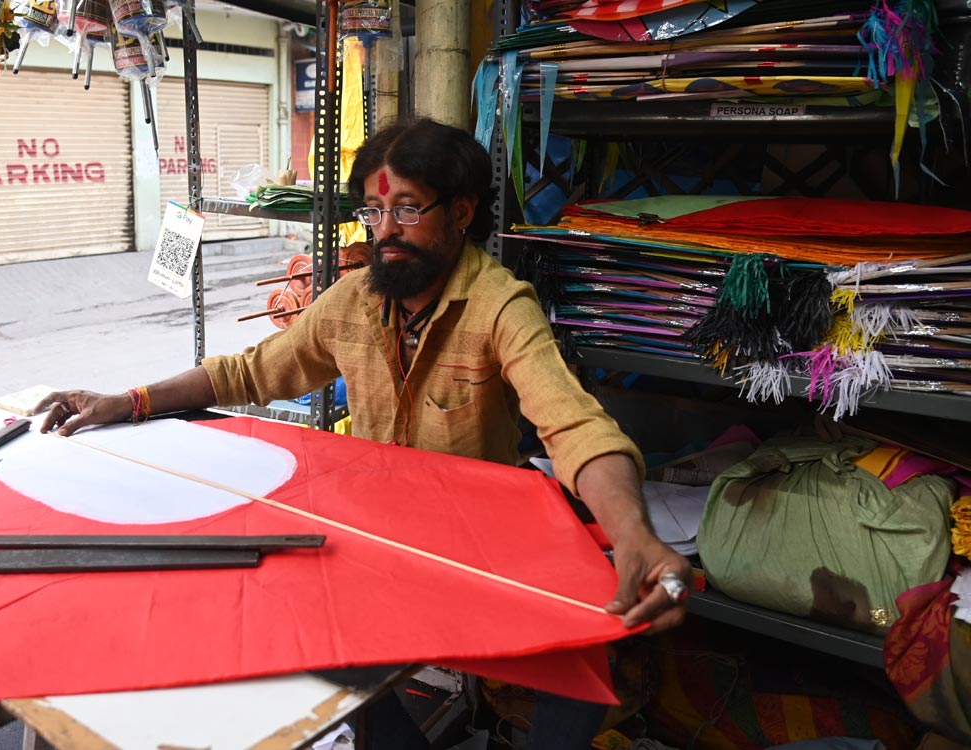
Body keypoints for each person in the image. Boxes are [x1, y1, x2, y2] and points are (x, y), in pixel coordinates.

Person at [36, 117, 690, 749]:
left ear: (462, 213)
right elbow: (253, 371)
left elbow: (570, 421)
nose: (385, 233)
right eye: (374, 214)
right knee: (281, 625)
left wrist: (633, 534)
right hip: (377, 527)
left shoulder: (499, 305)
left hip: (478, 531)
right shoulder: (354, 301)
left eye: (407, 209)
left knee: (587, 649)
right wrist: (132, 400)